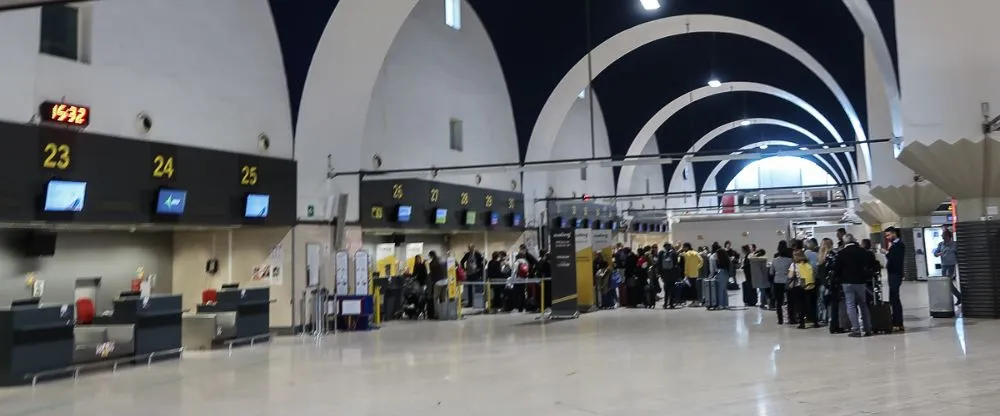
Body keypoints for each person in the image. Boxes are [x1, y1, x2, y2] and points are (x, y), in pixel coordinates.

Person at [835, 234, 874, 337]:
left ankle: (856, 329)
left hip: (847, 282)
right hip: (861, 281)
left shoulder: (841, 253)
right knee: (863, 304)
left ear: (844, 242)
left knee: (850, 305)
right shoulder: (862, 252)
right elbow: (871, 264)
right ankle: (868, 328)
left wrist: (839, 278)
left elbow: (837, 269)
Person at [882, 227, 906, 332]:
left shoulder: (898, 245)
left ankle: (898, 322)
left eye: (888, 235)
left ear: (894, 233)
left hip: (895, 274)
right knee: (893, 298)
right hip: (893, 274)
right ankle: (896, 321)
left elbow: (894, 260)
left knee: (895, 298)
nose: (887, 238)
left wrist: (886, 253)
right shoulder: (895, 245)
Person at [788, 250, 820, 328]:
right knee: (812, 305)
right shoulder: (808, 264)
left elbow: (790, 276)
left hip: (800, 286)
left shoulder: (794, 265)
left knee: (800, 305)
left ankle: (802, 323)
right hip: (811, 286)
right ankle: (815, 322)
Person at [933, 229, 961, 305]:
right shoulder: (940, 244)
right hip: (944, 266)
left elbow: (958, 254)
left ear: (948, 236)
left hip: (951, 265)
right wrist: (939, 254)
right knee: (945, 283)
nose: (942, 237)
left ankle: (959, 296)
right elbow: (935, 253)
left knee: (947, 282)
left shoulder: (954, 244)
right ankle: (956, 297)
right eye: (942, 236)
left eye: (944, 236)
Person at [771, 241, 795, 325]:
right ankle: (791, 319)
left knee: (779, 301)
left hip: (777, 281)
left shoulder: (774, 260)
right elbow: (792, 271)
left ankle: (780, 319)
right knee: (790, 300)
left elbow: (771, 272)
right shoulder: (790, 260)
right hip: (787, 281)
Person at [709, 243, 731, 309]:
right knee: (724, 289)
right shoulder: (724, 255)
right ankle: (726, 304)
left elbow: (713, 268)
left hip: (719, 273)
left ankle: (720, 304)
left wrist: (711, 275)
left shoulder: (714, 256)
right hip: (726, 272)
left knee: (720, 290)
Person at [659, 243, 681, 308]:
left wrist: (660, 274)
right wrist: (676, 275)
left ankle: (665, 304)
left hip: (665, 274)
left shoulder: (661, 253)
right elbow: (676, 265)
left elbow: (659, 264)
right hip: (672, 274)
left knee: (666, 289)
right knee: (672, 289)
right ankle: (671, 304)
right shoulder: (674, 253)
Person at [428, 251, 447, 319]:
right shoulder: (442, 260)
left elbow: (431, 275)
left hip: (438, 282)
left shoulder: (432, 263)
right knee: (443, 298)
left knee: (435, 298)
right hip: (445, 281)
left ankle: (437, 314)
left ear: (431, 256)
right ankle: (444, 313)